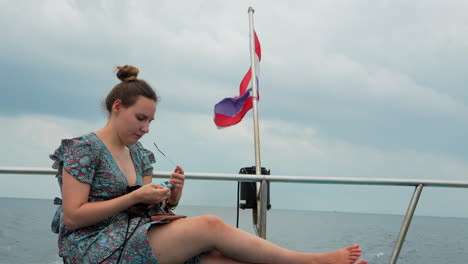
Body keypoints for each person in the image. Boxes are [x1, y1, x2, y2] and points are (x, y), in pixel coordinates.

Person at [50, 65, 368, 264]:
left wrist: (170, 197)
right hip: (91, 247)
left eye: (151, 121)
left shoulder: (139, 155)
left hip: (132, 233)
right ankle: (310, 262)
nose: (146, 127)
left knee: (219, 259)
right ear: (117, 107)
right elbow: (74, 217)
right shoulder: (83, 149)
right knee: (210, 226)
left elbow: (141, 212)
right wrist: (135, 196)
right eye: (141, 118)